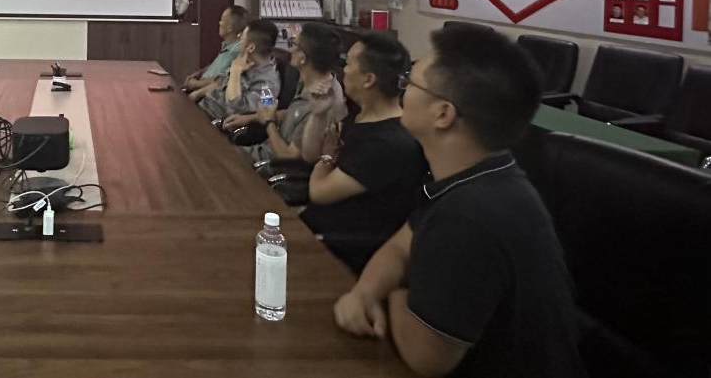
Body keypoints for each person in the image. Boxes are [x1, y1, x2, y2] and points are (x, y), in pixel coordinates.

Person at [333, 24, 584, 378]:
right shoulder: (479, 176)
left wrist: (390, 293)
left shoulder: (472, 216)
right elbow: (400, 247)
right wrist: (365, 291)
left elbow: (426, 357)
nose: (402, 90)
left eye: (410, 83)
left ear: (443, 114)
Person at [299, 32, 428, 273]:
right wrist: (318, 113)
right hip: (313, 226)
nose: (343, 70)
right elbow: (309, 154)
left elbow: (319, 192)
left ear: (369, 80)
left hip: (335, 250)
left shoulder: (387, 144)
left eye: (349, 64)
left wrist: (327, 158)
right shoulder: (358, 115)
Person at [224, 23, 346, 165]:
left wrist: (269, 123)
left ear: (303, 58)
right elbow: (294, 113)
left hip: (267, 166)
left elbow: (289, 157)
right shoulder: (311, 81)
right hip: (259, 152)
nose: (291, 48)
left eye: (294, 44)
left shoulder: (321, 100)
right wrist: (251, 118)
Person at [196, 19, 281, 122]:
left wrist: (235, 72)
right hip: (202, 108)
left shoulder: (268, 84)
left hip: (213, 121)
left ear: (250, 47)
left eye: (242, 37)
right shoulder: (244, 61)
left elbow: (235, 109)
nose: (239, 40)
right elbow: (220, 83)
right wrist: (196, 95)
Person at [183, 5, 248, 94]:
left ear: (229, 28)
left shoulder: (237, 51)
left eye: (222, 20)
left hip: (206, 95)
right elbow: (215, 67)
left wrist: (195, 84)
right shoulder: (227, 46)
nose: (219, 23)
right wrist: (198, 73)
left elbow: (223, 80)